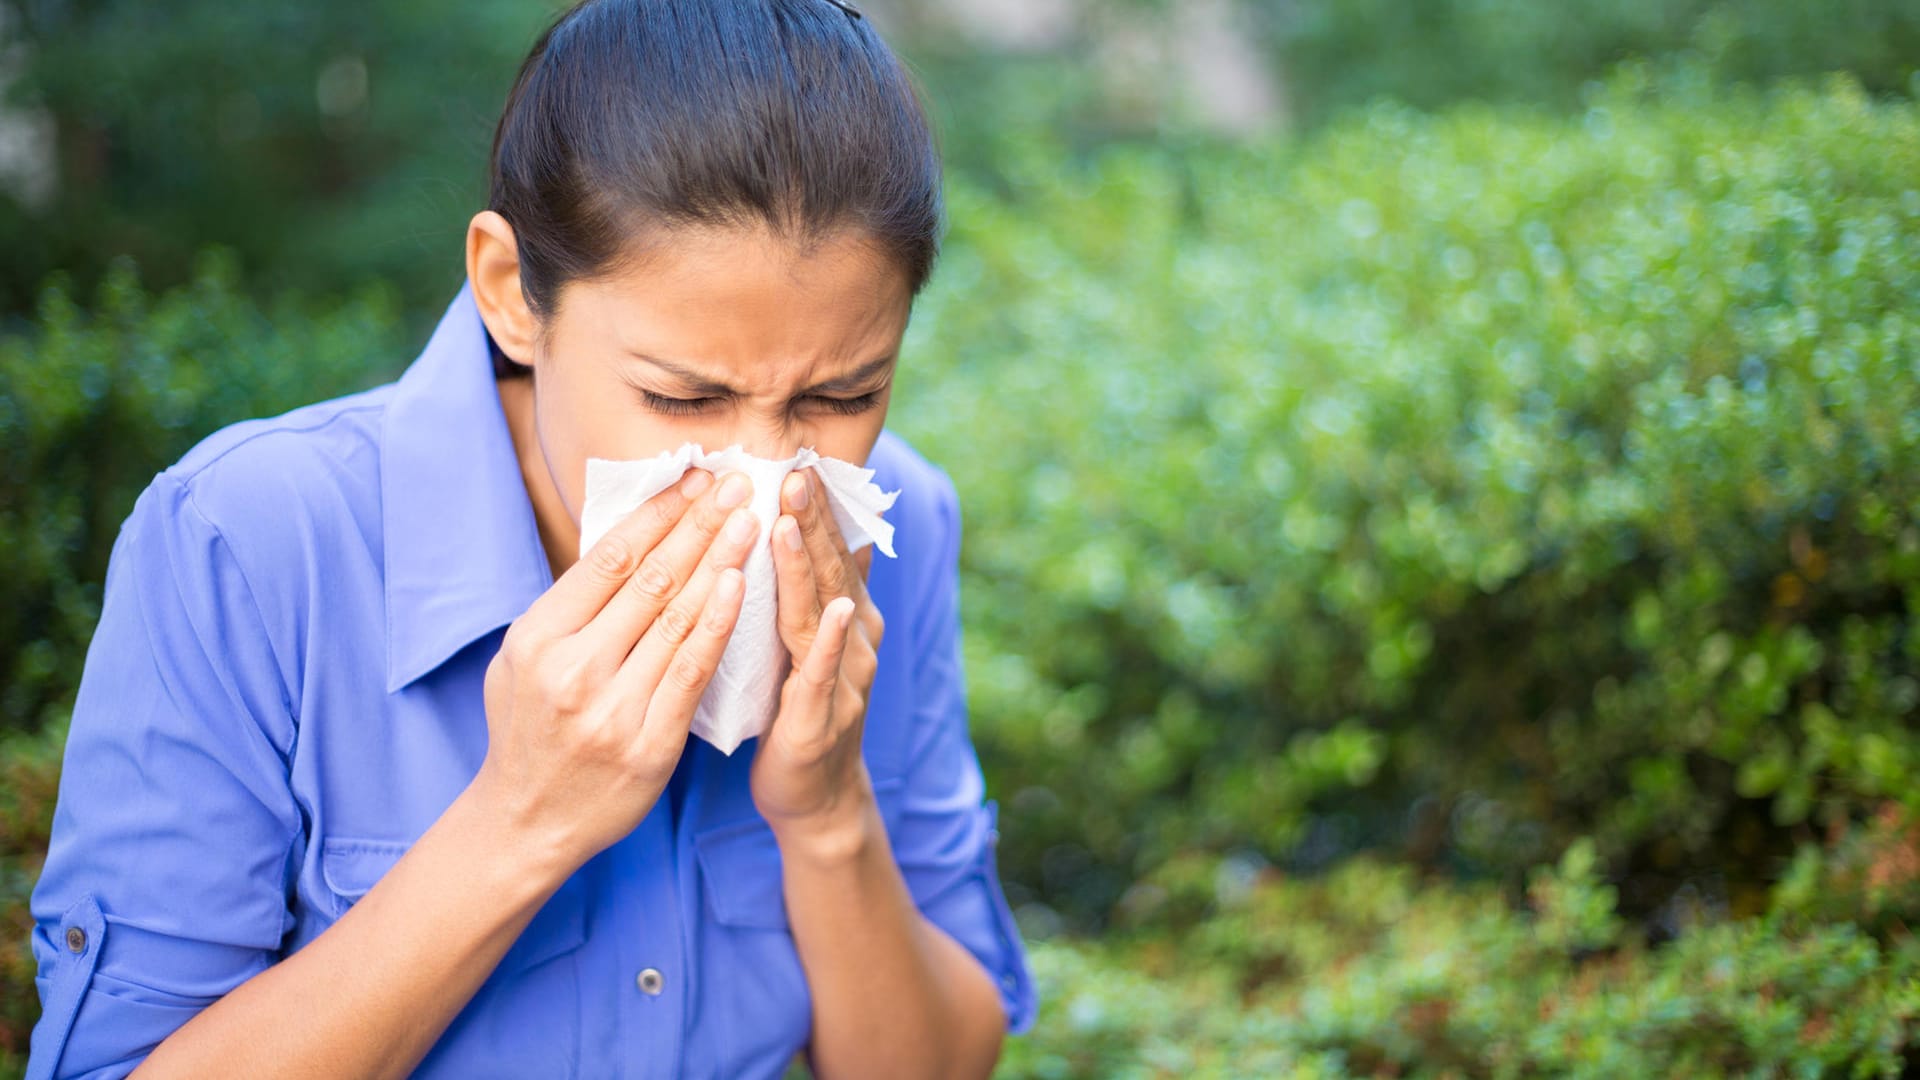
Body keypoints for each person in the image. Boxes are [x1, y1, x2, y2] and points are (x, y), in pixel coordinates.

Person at [23, 1, 1038, 1076]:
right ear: (510, 292)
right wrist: (521, 819)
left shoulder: (895, 523)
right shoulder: (251, 545)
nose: (768, 474)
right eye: (683, 397)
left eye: (844, 391)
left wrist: (830, 815)